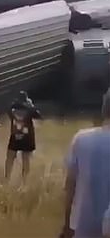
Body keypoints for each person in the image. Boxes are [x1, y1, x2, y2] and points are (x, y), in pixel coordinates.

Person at [61, 94, 110, 238]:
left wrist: (67, 224)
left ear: (104, 110)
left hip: (83, 226)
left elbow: (70, 185)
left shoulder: (81, 139)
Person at [5, 91, 40, 179]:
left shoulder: (13, 107)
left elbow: (9, 113)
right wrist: (31, 105)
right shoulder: (29, 108)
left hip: (15, 134)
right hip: (27, 136)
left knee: (10, 157)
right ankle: (24, 181)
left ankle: (7, 178)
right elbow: (38, 116)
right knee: (25, 159)